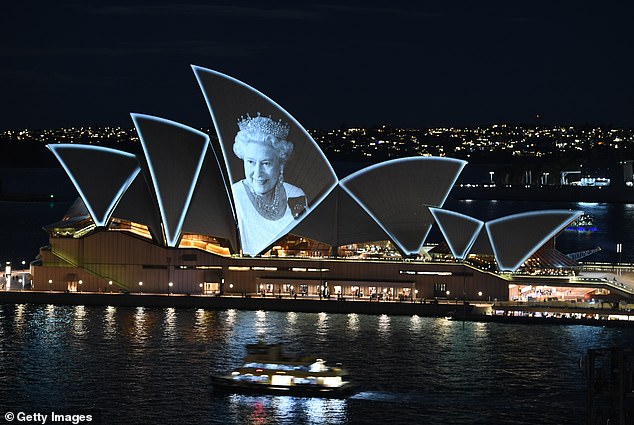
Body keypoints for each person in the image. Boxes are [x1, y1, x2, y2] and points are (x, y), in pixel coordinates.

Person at [232, 113, 307, 255]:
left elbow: (302, 242)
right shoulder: (233, 196)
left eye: (266, 163)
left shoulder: (296, 195)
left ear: (281, 165)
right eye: (251, 162)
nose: (258, 172)